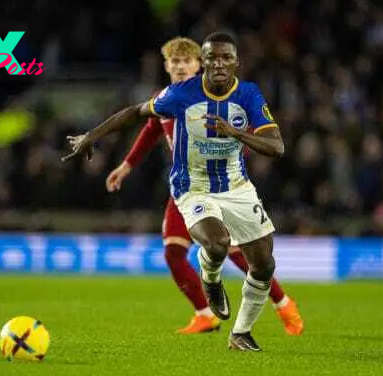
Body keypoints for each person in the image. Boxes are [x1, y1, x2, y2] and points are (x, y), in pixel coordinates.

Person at [64, 31, 295, 351]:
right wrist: (93, 135)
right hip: (192, 186)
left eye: (225, 57)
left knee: (264, 264)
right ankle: (210, 281)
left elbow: (276, 146)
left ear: (236, 63)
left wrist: (235, 132)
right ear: (204, 62)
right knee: (216, 244)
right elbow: (137, 114)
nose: (218, 64)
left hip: (237, 187)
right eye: (212, 57)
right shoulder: (178, 95)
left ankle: (241, 332)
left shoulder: (249, 95)